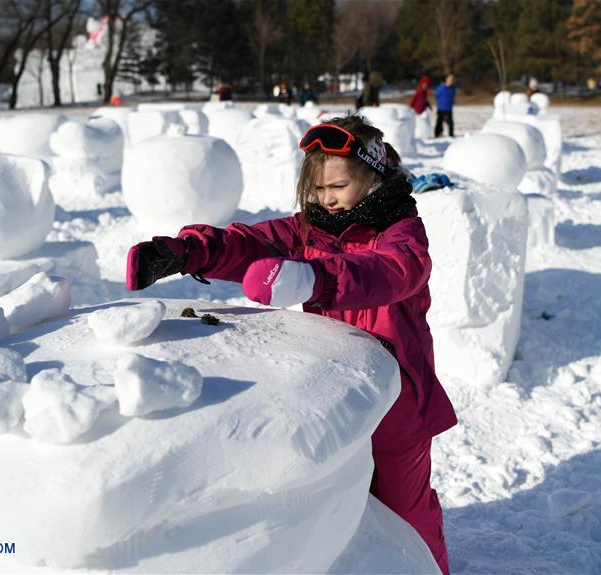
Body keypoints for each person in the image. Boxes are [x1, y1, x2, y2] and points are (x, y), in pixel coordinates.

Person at [125, 115, 457, 575]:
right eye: (317, 190)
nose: (326, 199)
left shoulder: (401, 231)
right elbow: (251, 243)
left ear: (372, 175)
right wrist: (187, 251)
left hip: (401, 399)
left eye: (337, 186)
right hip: (341, 387)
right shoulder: (310, 229)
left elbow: (395, 272)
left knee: (404, 506)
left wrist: (314, 279)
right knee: (345, 500)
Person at [434, 74, 456, 138]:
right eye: (450, 79)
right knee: (439, 122)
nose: (451, 80)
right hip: (441, 108)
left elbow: (453, 96)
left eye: (452, 79)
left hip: (449, 108)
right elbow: (436, 95)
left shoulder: (453, 88)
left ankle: (451, 135)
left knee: (451, 123)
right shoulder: (441, 87)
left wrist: (452, 102)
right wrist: (440, 101)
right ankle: (437, 134)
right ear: (446, 79)